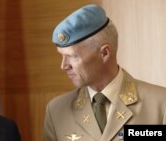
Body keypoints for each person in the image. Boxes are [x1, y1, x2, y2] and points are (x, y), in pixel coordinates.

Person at [44, 4, 166, 141]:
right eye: (62, 55)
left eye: (72, 56)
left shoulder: (160, 104)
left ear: (104, 53)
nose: (64, 66)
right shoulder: (56, 111)